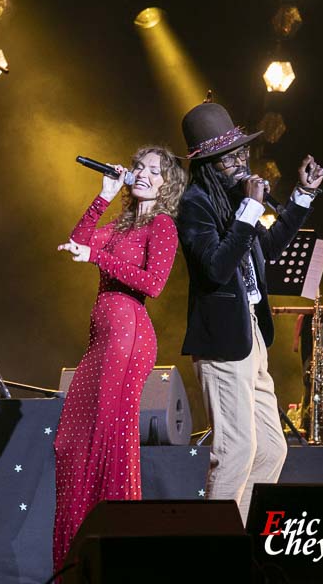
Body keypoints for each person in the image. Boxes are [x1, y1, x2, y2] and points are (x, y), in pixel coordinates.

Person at [176, 102, 323, 523]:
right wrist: (248, 210)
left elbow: (269, 249)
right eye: (231, 159)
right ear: (209, 163)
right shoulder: (195, 204)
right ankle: (213, 549)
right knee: (236, 449)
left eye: (243, 155)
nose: (242, 163)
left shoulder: (235, 198)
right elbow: (215, 268)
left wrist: (302, 196)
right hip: (222, 343)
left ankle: (237, 538)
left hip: (252, 337)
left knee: (273, 449)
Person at [53, 145, 186, 574]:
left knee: (105, 441)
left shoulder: (163, 225)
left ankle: (111, 558)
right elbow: (77, 242)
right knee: (73, 440)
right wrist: (104, 194)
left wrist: (97, 257)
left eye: (154, 170)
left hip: (128, 339)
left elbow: (153, 283)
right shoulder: (122, 223)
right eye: (139, 168)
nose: (143, 174)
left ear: (167, 184)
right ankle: (75, 558)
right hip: (102, 340)